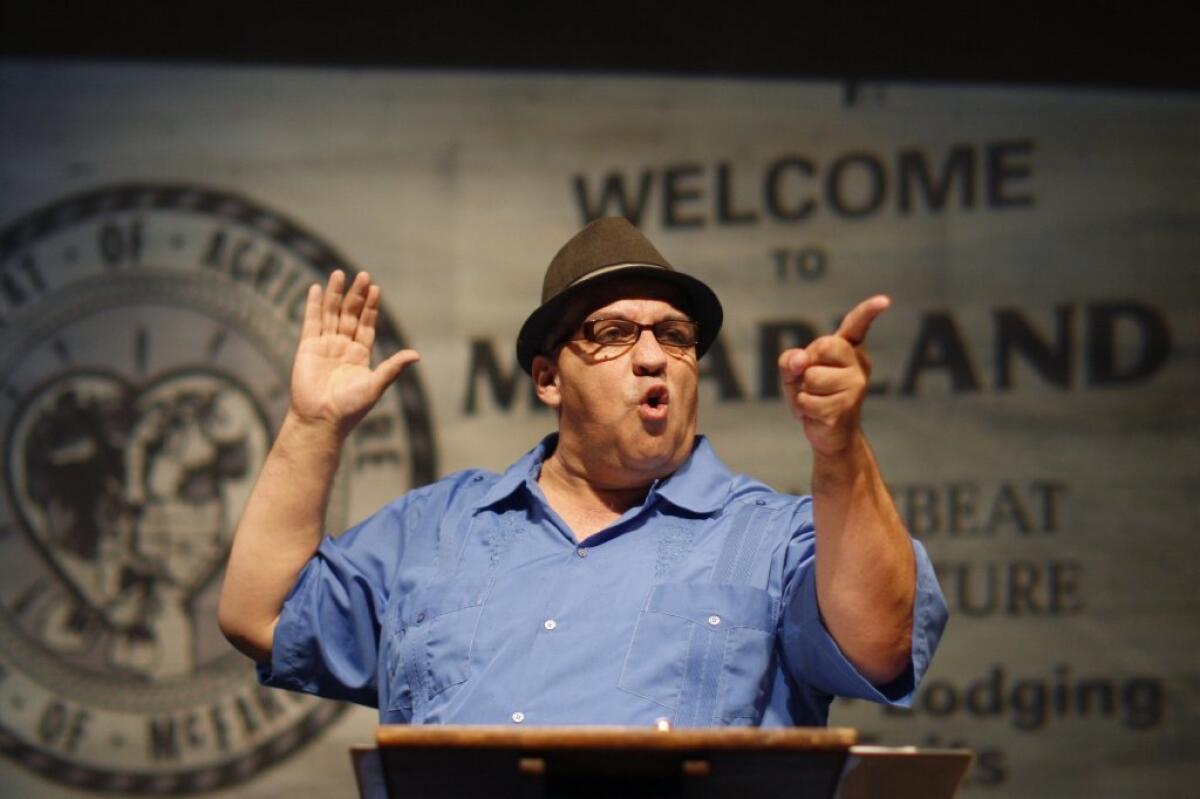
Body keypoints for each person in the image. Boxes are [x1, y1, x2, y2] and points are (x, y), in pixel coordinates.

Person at [218, 217, 947, 727]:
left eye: (675, 334)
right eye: (614, 333)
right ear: (548, 377)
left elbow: (881, 642)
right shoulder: (438, 528)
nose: (654, 355)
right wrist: (312, 430)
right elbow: (261, 614)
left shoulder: (773, 535)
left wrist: (840, 448)